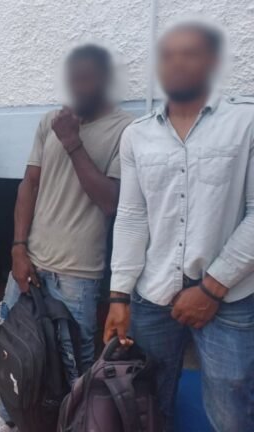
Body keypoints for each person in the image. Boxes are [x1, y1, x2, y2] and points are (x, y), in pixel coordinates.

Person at [105, 22, 254, 432]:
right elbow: (132, 215)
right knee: (148, 400)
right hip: (153, 294)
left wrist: (212, 288)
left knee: (231, 405)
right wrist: (119, 294)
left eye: (190, 53)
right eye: (167, 55)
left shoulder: (246, 122)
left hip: (230, 296)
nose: (177, 62)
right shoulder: (136, 135)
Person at [0, 45, 133, 432]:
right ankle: (7, 417)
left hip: (77, 273)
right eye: (71, 80)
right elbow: (29, 185)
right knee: (13, 346)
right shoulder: (50, 121)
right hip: (30, 261)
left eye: (85, 79)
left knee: (72, 364)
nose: (76, 88)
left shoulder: (126, 130)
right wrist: (18, 248)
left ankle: (68, 423)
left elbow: (110, 201)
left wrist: (72, 142)